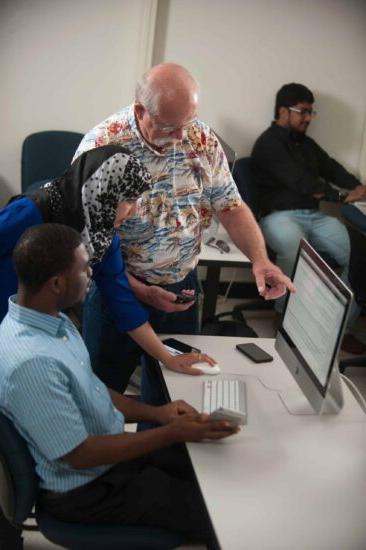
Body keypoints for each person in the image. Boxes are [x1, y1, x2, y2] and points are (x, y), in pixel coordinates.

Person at [0, 224, 238, 548]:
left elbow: (92, 388)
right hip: (88, 490)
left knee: (211, 466)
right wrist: (170, 432)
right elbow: (79, 455)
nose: (91, 275)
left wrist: (159, 413)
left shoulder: (51, 321)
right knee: (224, 514)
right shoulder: (33, 363)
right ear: (56, 283)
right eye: (84, 269)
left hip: (107, 463)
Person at [74, 63, 294, 390]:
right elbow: (88, 243)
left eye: (187, 121)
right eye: (170, 125)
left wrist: (260, 261)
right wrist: (141, 290)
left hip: (182, 291)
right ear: (140, 110)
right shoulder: (102, 147)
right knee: (101, 395)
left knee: (173, 394)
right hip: (118, 289)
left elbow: (231, 207)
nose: (181, 136)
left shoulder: (199, 138)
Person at [0, 145, 217, 393]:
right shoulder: (30, 211)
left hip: (31, 328)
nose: (134, 210)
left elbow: (122, 303)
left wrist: (167, 358)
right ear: (103, 190)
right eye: (129, 199)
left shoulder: (101, 237)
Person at [251, 82, 366, 353]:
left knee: (361, 256)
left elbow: (331, 168)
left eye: (310, 113)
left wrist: (357, 187)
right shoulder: (268, 144)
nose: (307, 119)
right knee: (295, 247)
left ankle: (339, 328)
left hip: (314, 217)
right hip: (278, 217)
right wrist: (341, 197)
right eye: (302, 112)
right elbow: (301, 182)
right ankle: (285, 316)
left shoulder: (306, 144)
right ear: (283, 111)